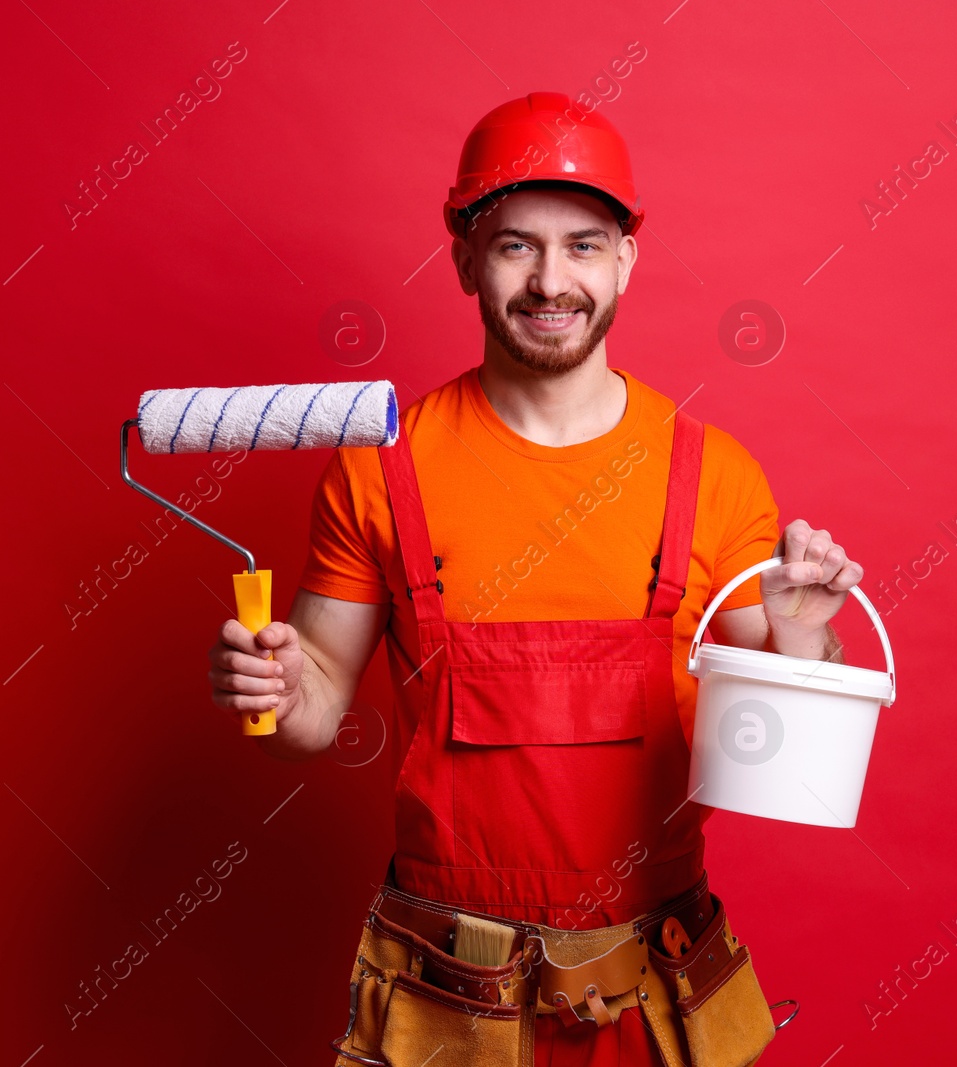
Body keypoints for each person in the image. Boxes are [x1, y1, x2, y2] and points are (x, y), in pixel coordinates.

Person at [207, 92, 864, 1067]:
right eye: (515, 245)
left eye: (583, 245)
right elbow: (310, 717)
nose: (550, 280)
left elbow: (778, 751)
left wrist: (804, 636)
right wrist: (275, 690)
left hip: (652, 989)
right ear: (464, 253)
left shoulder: (714, 476)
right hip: (449, 997)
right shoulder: (380, 471)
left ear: (628, 257)